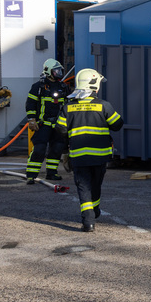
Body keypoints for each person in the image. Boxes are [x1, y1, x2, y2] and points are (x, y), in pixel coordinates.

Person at [56, 68, 124, 232]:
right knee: (95, 185)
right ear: (94, 86)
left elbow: (60, 129)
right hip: (100, 156)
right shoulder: (104, 106)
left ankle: (88, 221)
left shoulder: (68, 107)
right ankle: (95, 211)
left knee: (83, 187)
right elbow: (117, 125)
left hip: (79, 156)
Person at [24, 58, 68, 184]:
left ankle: (52, 173)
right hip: (43, 124)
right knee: (39, 149)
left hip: (58, 125)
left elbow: (68, 105)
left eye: (60, 71)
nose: (59, 73)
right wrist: (31, 119)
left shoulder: (63, 87)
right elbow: (30, 104)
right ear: (48, 71)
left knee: (57, 149)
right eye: (56, 71)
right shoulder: (38, 87)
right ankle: (31, 175)